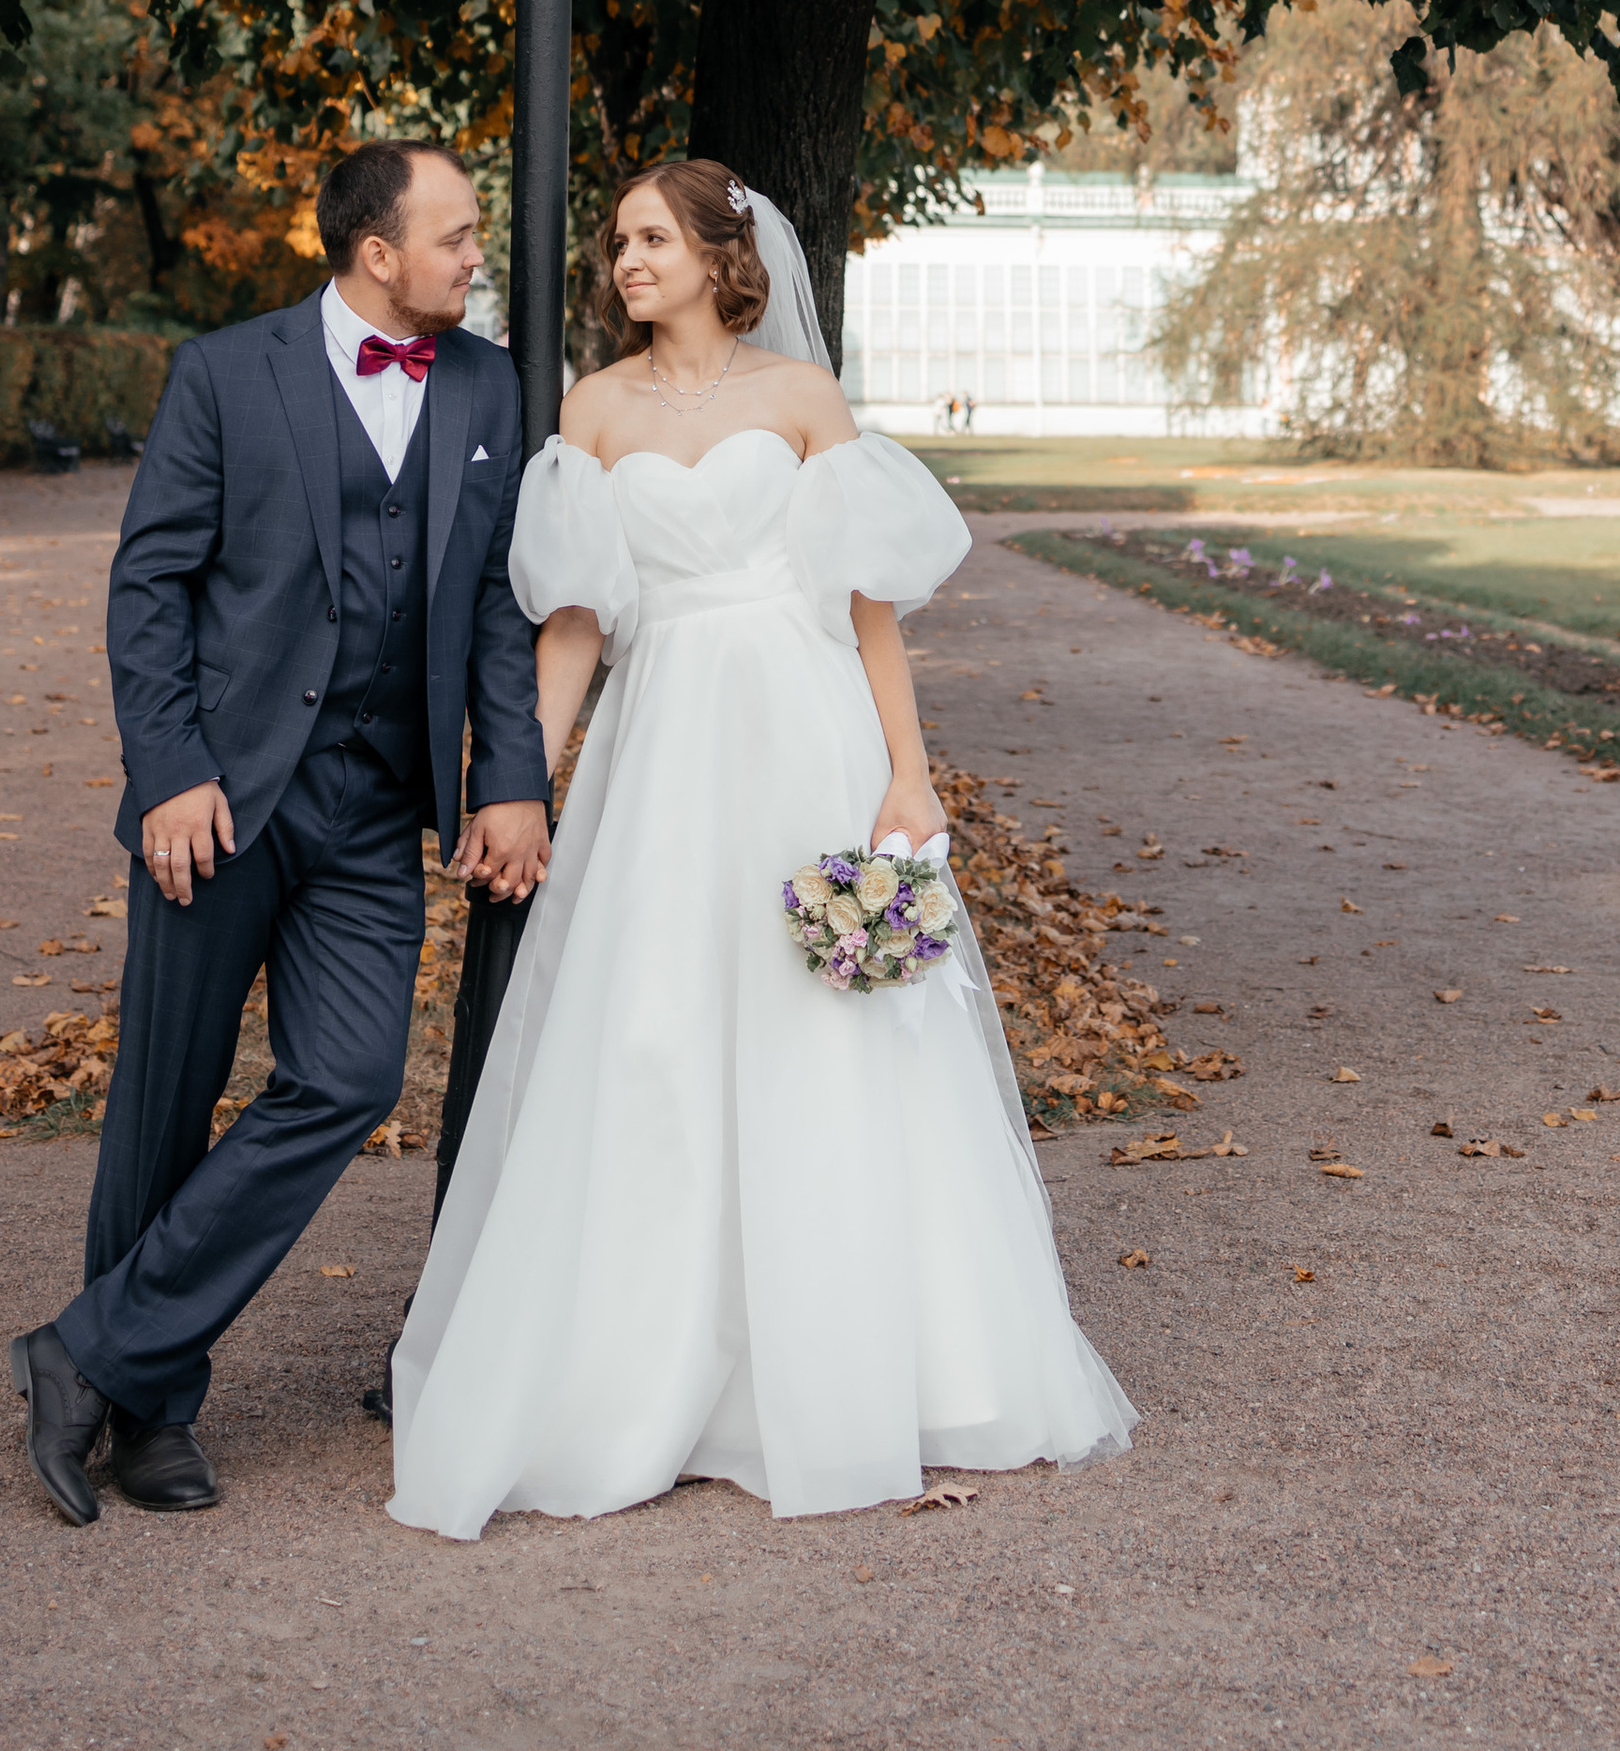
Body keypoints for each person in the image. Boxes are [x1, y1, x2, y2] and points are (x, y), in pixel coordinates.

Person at [387, 159, 1134, 1536]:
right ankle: (650, 1373)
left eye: (653, 237)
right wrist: (527, 783)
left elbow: (864, 607)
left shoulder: (801, 402)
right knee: (655, 1034)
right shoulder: (593, 413)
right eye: (618, 242)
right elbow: (578, 626)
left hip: (804, 739)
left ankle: (859, 1368)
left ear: (725, 256)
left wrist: (906, 773)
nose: (627, 260)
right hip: (661, 751)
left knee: (823, 1034)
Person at [10, 140, 550, 1523]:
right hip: (223, 803)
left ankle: (90, 1352)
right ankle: (152, 1411)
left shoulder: (489, 386)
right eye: (456, 234)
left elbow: (498, 600)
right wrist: (172, 770)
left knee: (353, 1076)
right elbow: (151, 590)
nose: (476, 253)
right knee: (164, 1106)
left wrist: (513, 777)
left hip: (376, 817)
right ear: (377, 251)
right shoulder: (224, 373)